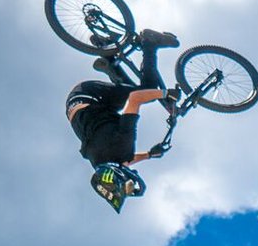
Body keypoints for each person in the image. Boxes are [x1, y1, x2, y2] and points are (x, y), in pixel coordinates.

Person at [65, 30, 182, 205]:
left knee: (146, 89)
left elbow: (136, 99)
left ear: (119, 177)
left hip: (92, 96)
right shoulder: (100, 165)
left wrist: (166, 93)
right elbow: (124, 161)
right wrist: (149, 154)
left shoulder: (122, 146)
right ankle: (108, 54)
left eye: (127, 185)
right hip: (84, 105)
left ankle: (150, 43)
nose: (131, 180)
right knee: (131, 92)